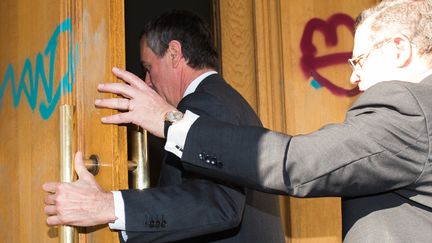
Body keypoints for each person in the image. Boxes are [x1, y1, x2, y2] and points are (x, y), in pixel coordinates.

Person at [94, 0, 432, 242]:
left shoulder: (409, 107)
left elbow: (296, 163)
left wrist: (169, 121)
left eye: (359, 60)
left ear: (398, 49)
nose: (354, 77)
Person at [43, 10, 285, 243]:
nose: (148, 81)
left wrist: (107, 205)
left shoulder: (205, 103)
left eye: (148, 68)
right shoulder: (229, 101)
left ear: (174, 53)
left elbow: (218, 203)